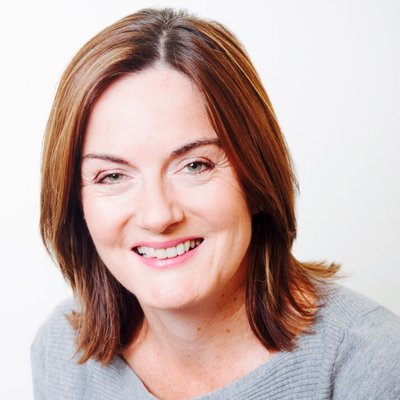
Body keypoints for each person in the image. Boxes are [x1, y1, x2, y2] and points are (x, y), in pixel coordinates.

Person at [32, 8, 400, 400]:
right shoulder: (62, 352)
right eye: (112, 176)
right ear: (76, 204)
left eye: (195, 165)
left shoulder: (371, 365)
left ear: (255, 177)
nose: (158, 216)